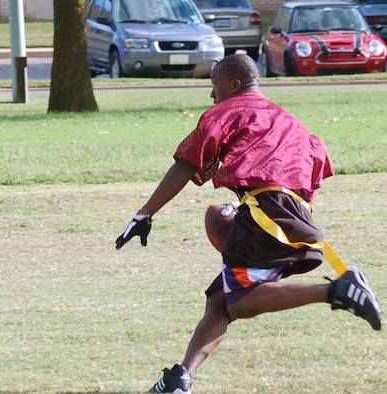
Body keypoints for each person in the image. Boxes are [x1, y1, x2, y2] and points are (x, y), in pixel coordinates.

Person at [115, 54, 383, 393]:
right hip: (292, 214)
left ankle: (339, 290)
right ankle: (180, 380)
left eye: (214, 87)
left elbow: (187, 163)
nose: (212, 96)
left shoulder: (227, 111)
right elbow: (316, 168)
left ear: (234, 85)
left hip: (265, 214)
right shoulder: (290, 121)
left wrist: (144, 214)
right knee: (221, 301)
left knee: (240, 300)